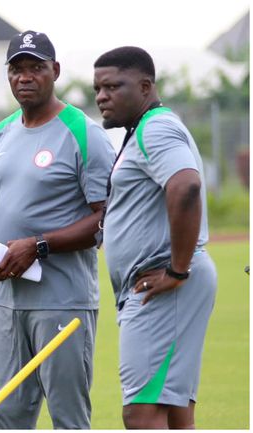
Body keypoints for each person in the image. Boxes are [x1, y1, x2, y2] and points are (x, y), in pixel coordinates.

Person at [0, 30, 115, 429]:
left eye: (35, 67)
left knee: (68, 418)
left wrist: (38, 245)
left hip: (62, 302)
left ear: (54, 70)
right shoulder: (1, 132)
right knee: (5, 416)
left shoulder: (83, 133)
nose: (25, 77)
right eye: (16, 69)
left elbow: (104, 218)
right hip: (5, 300)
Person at [93, 46, 217, 429]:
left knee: (142, 412)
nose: (102, 97)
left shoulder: (156, 128)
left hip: (164, 287)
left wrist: (177, 270)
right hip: (164, 287)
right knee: (175, 412)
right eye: (98, 88)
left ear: (146, 86)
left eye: (113, 86)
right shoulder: (142, 131)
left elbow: (186, 187)